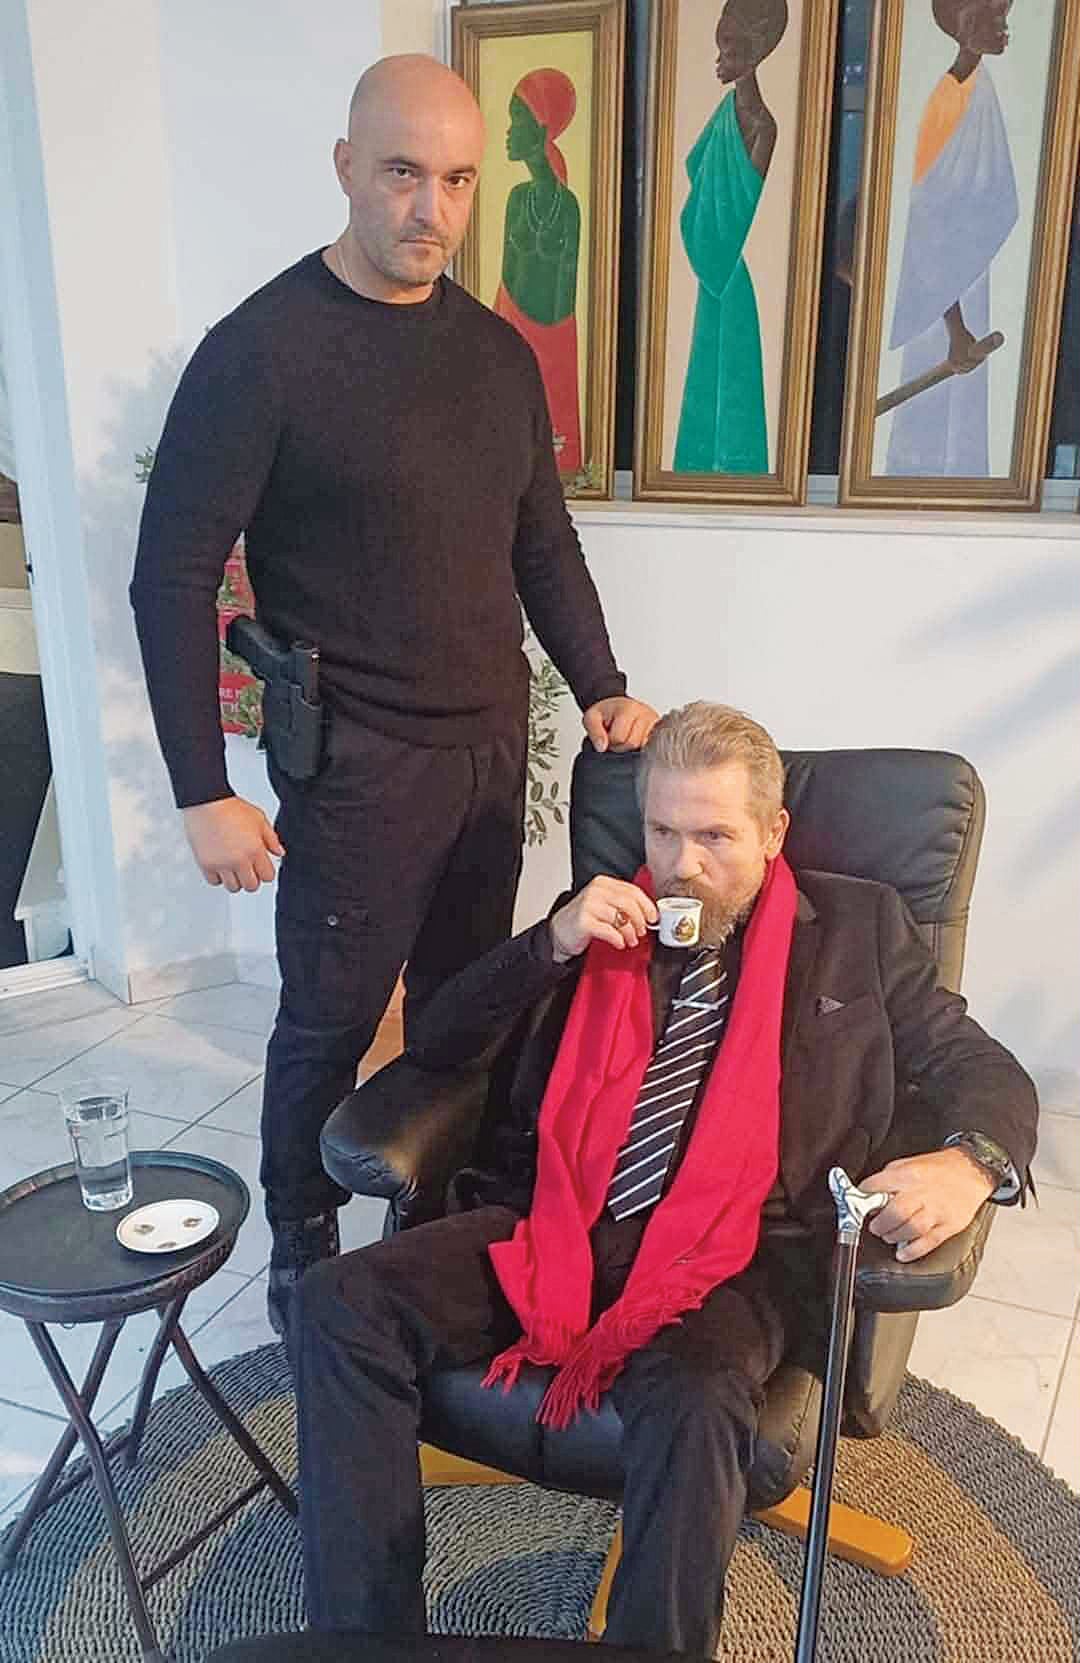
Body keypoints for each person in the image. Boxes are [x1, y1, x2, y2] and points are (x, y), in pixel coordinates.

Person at [295, 701, 1037, 1656]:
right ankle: (365, 1643)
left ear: (772, 833)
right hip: (556, 1217)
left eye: (714, 836)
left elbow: (978, 1064)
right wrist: (550, 942)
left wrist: (971, 1162)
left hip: (737, 1255)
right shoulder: (602, 916)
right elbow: (438, 1043)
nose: (683, 863)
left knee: (695, 1394)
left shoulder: (859, 928)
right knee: (339, 1302)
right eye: (661, 832)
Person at [129, 54, 657, 1335]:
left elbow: (541, 541)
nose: (433, 209)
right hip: (357, 767)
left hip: (488, 752)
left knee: (469, 1013)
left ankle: (431, 1228)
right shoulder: (262, 353)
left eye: (459, 181)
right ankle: (305, 1245)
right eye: (405, 173)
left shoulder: (496, 357)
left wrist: (599, 682)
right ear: (346, 168)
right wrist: (201, 791)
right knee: (329, 1022)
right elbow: (171, 575)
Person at [884, 0, 1017, 477]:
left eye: (1004, 18)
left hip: (966, 272)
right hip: (940, 286)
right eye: (994, 19)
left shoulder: (979, 87)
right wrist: (955, 326)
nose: (1004, 28)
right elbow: (931, 217)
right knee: (930, 420)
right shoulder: (948, 99)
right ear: (966, 25)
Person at [674, 0, 788, 475]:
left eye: (733, 49)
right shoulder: (725, 113)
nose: (721, 59)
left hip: (727, 274)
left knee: (729, 375)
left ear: (756, 53)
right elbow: (698, 170)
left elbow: (742, 206)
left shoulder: (764, 128)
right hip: (711, 271)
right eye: (721, 45)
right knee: (706, 375)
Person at [495, 68, 583, 478]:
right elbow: (506, 281)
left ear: (543, 126)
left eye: (517, 119)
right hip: (511, 333)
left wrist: (547, 343)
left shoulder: (569, 207)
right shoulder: (516, 199)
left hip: (554, 341)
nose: (508, 132)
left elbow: (566, 295)